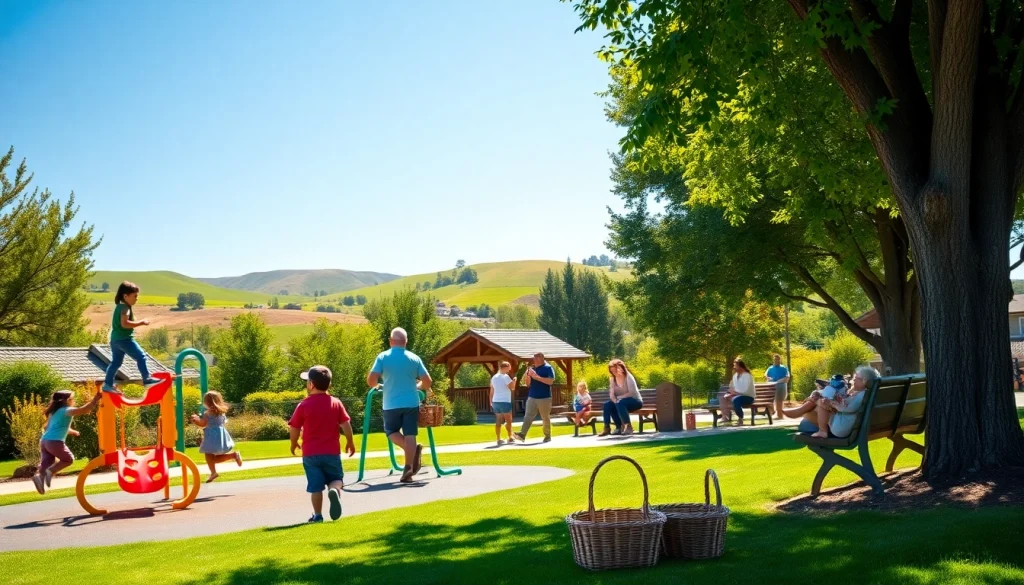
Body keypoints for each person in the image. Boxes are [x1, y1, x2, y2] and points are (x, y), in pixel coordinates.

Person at [289, 365, 356, 523]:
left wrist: (293, 443)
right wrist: (350, 441)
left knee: (315, 486)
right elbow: (346, 424)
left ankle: (318, 515)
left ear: (311, 384)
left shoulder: (303, 405)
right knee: (337, 479)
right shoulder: (335, 403)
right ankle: (333, 490)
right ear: (329, 385)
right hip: (331, 452)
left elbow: (294, 427)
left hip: (311, 454)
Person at [367, 327, 433, 482]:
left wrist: (379, 387)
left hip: (391, 403)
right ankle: (408, 467)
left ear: (390, 341)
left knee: (391, 432)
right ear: (406, 342)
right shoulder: (414, 358)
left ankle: (413, 453)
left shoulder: (383, 357)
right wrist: (418, 387)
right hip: (411, 402)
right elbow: (428, 381)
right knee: (411, 434)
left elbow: (371, 381)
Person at [32, 390, 101, 494]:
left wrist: (72, 432)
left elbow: (50, 427)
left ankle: (39, 477)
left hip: (44, 441)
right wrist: (95, 399)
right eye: (72, 399)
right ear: (67, 400)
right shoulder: (66, 410)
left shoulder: (54, 412)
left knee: (47, 463)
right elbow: (85, 410)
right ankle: (50, 472)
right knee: (68, 459)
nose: (74, 401)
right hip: (54, 441)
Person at [785, 366, 879, 439]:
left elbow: (849, 409)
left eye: (855, 378)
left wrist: (832, 403)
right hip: (849, 425)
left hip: (841, 428)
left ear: (864, 381)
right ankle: (800, 411)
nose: (852, 380)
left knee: (820, 402)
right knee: (821, 400)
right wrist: (833, 401)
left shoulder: (862, 395)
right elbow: (847, 404)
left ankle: (820, 429)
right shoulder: (866, 394)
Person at [102, 281, 157, 394]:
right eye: (135, 296)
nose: (137, 299)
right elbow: (124, 324)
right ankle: (147, 379)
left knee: (116, 363)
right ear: (125, 296)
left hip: (115, 340)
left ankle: (107, 384)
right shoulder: (125, 308)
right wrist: (141, 322)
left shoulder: (119, 307)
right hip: (124, 340)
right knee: (141, 356)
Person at [190, 390, 243, 483]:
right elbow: (222, 422)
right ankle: (234, 455)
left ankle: (213, 472)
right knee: (213, 458)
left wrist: (196, 420)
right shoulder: (222, 412)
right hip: (221, 435)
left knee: (208, 454)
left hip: (212, 436)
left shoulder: (208, 413)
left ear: (206, 402)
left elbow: (203, 424)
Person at [513, 353, 555, 443]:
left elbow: (550, 381)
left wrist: (537, 377)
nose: (534, 360)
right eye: (533, 358)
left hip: (544, 397)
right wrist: (528, 375)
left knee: (545, 417)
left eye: (535, 358)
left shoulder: (548, 368)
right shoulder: (532, 368)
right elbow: (528, 384)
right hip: (532, 396)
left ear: (541, 358)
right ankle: (522, 434)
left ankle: (547, 436)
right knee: (528, 416)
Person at [599, 359, 643, 436]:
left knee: (620, 403)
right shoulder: (612, 379)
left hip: (635, 401)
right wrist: (614, 400)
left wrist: (618, 398)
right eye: (612, 371)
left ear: (620, 368)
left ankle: (628, 427)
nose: (614, 372)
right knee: (607, 405)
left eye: (615, 370)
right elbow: (611, 394)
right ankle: (611, 427)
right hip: (620, 402)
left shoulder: (628, 377)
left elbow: (631, 393)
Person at [720, 358, 755, 424]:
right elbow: (732, 386)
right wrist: (730, 392)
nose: (734, 367)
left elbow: (745, 390)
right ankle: (725, 417)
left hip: (747, 397)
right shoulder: (735, 376)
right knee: (723, 398)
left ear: (740, 366)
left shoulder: (747, 376)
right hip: (736, 395)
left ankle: (740, 418)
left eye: (735, 366)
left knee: (736, 399)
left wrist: (734, 393)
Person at [489, 361, 516, 445]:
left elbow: (492, 390)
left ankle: (498, 438)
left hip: (496, 401)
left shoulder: (494, 377)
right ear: (505, 367)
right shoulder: (505, 377)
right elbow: (512, 387)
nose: (509, 369)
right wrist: (514, 380)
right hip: (505, 400)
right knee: (508, 420)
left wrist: (491, 401)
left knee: (498, 420)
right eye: (509, 368)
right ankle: (510, 437)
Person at [765, 353, 791, 419]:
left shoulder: (784, 368)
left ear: (780, 360)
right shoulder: (770, 368)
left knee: (780, 400)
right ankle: (776, 414)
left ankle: (780, 415)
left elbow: (787, 377)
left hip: (781, 386)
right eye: (775, 359)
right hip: (772, 386)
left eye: (778, 359)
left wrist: (781, 380)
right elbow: (766, 375)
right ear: (773, 360)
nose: (776, 361)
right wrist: (769, 378)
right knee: (774, 400)